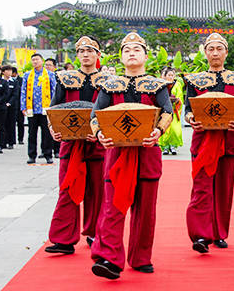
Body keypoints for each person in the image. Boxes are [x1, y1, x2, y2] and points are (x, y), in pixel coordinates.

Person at [90, 32, 173, 280]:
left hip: (147, 152)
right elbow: (96, 115)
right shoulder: (109, 85)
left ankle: (141, 257)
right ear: (121, 57)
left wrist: (157, 131)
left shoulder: (157, 85)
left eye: (137, 49)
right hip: (117, 153)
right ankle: (109, 258)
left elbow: (167, 113)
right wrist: (100, 135)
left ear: (146, 56)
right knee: (112, 207)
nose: (132, 53)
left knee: (145, 210)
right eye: (127, 50)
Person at [184, 33, 234, 254]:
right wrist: (190, 119)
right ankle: (201, 235)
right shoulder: (194, 80)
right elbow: (188, 109)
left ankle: (219, 233)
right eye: (210, 49)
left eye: (219, 48)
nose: (215, 53)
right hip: (202, 140)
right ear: (205, 52)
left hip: (228, 140)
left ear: (226, 52)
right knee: (202, 187)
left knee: (224, 188)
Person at [45, 36, 108, 255]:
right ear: (77, 54)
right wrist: (53, 128)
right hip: (71, 144)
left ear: (98, 55)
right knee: (67, 188)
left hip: (98, 144)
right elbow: (54, 108)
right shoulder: (65, 79)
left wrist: (101, 132)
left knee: (97, 191)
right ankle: (64, 239)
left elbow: (112, 111)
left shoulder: (109, 81)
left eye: (90, 50)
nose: (85, 54)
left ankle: (95, 234)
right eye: (81, 51)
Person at [20, 53, 56, 164]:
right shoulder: (27, 75)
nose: (35, 62)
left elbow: (54, 91)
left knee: (46, 133)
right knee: (32, 133)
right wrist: (23, 106)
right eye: (33, 60)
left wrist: (54, 106)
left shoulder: (50, 74)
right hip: (32, 108)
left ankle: (48, 154)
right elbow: (23, 91)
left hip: (45, 108)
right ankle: (32, 155)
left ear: (42, 61)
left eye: (37, 59)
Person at [158, 67, 183, 155]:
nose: (171, 77)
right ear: (164, 76)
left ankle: (173, 146)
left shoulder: (177, 84)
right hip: (164, 111)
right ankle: (165, 147)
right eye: (169, 75)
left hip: (174, 110)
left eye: (172, 75)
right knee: (164, 127)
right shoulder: (162, 84)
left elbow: (180, 97)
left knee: (174, 130)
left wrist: (176, 101)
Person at [45, 58, 61, 159]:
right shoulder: (33, 76)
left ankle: (56, 151)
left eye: (49, 65)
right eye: (46, 65)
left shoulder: (57, 77)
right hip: (41, 107)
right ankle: (45, 152)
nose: (47, 67)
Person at [3, 65, 17, 149]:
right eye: (7, 70)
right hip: (2, 106)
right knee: (3, 124)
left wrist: (9, 103)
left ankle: (11, 142)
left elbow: (15, 94)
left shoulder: (14, 82)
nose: (9, 72)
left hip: (12, 106)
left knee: (11, 124)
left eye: (10, 71)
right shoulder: (1, 81)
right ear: (3, 72)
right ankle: (3, 142)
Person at [11, 67, 25, 145]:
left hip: (20, 104)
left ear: (14, 73)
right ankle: (12, 140)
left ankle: (20, 138)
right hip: (12, 104)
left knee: (20, 122)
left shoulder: (21, 80)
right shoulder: (9, 80)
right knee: (12, 123)